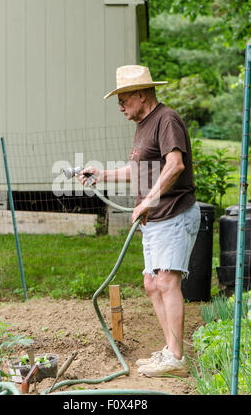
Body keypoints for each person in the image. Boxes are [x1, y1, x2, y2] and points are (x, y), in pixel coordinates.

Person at [78, 65, 201, 377]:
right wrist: (102, 174)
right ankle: (170, 351)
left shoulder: (166, 119)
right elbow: (138, 171)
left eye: (123, 99)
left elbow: (174, 165)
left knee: (166, 282)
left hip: (174, 214)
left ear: (142, 95)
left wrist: (148, 200)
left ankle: (176, 358)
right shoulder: (144, 125)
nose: (120, 106)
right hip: (155, 220)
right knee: (151, 285)